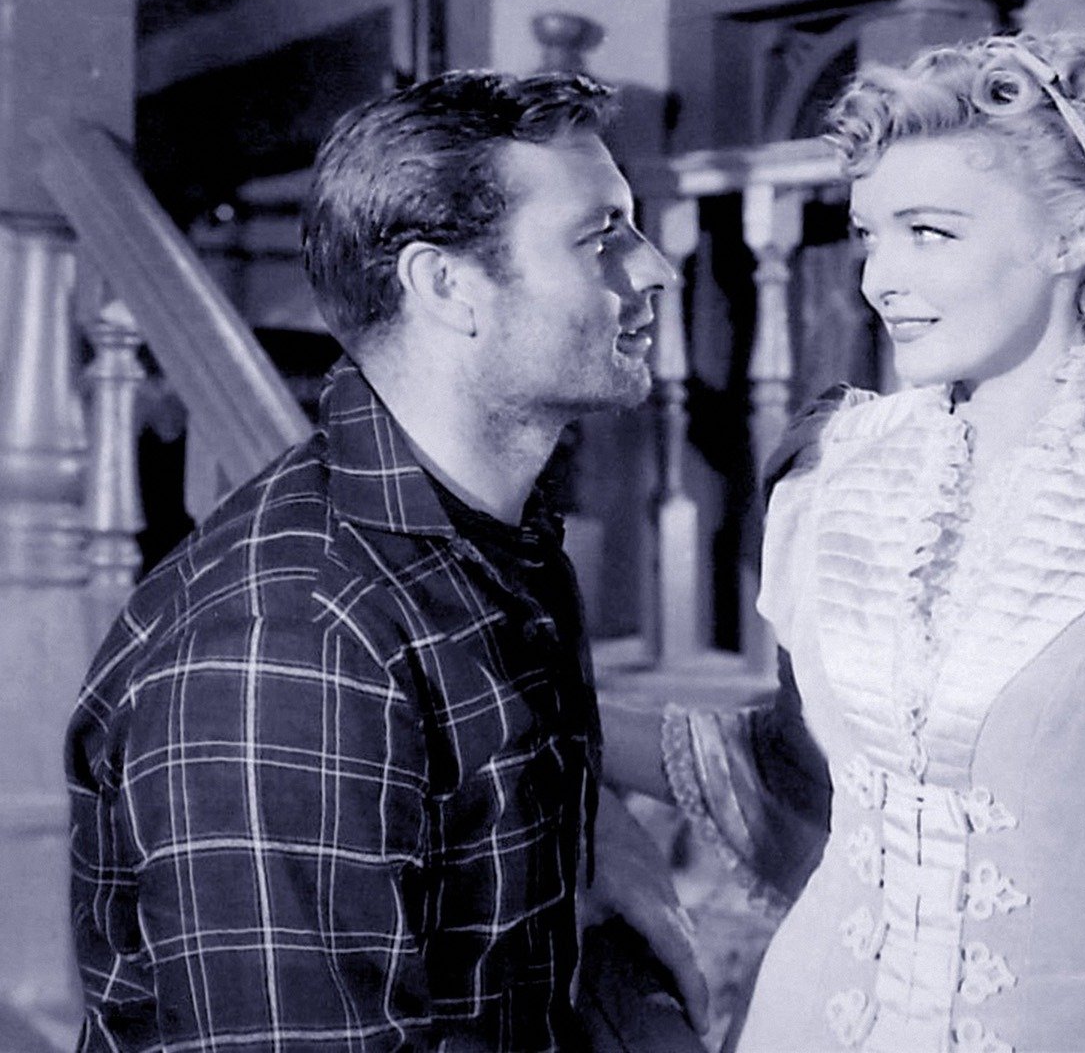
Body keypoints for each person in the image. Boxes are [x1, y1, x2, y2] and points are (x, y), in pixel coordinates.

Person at [606, 31, 1085, 1053]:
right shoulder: (834, 467)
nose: (880, 280)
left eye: (930, 233)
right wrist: (553, 711)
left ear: (1073, 234)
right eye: (870, 236)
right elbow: (801, 769)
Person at [66, 69, 706, 1051]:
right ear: (445, 286)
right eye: (601, 236)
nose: (656, 269)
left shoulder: (498, 546)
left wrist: (600, 840)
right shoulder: (292, 646)